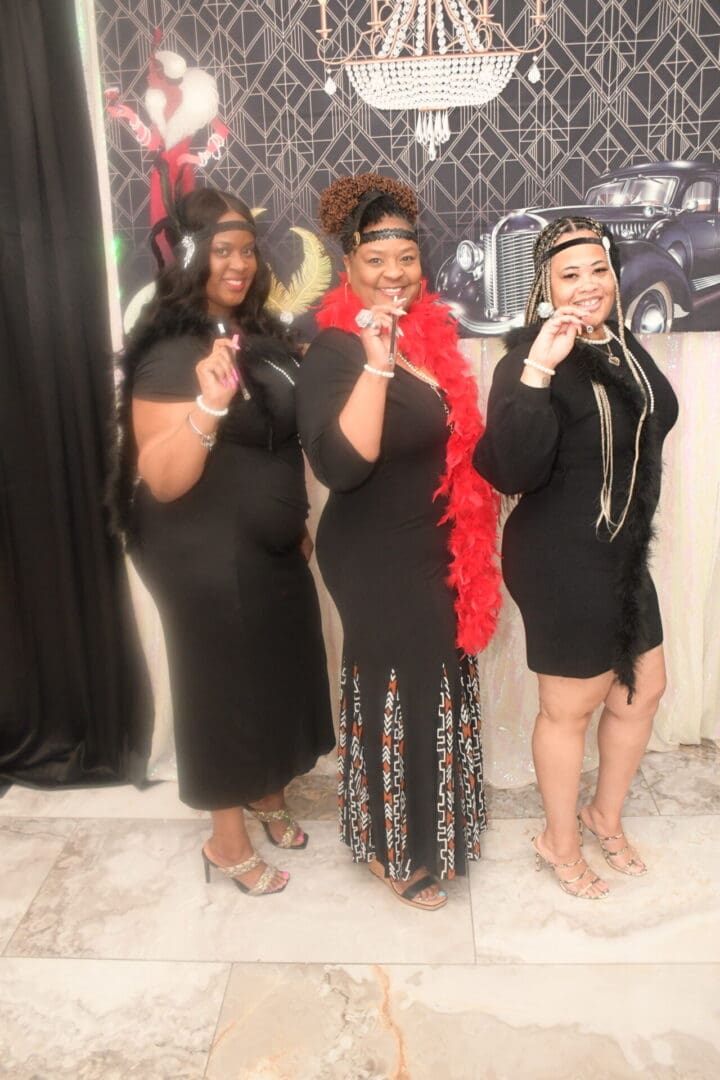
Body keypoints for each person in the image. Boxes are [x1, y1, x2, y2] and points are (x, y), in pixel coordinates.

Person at [115, 187, 334, 896]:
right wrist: (209, 405)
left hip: (265, 544)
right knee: (222, 685)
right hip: (196, 548)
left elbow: (272, 441)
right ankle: (226, 839)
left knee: (275, 664)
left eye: (245, 248)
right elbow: (166, 478)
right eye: (221, 249)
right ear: (187, 256)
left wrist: (291, 523)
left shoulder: (256, 335)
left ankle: (267, 792)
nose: (238, 262)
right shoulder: (171, 348)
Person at [296, 173, 501, 910]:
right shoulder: (336, 351)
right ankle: (394, 847)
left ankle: (437, 824)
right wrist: (376, 362)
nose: (393, 274)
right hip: (376, 557)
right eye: (376, 260)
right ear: (347, 263)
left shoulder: (425, 341)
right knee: (400, 691)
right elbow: (343, 467)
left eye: (406, 258)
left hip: (432, 549)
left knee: (435, 685)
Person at [473, 216, 678, 898]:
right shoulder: (528, 359)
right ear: (543, 286)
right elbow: (511, 469)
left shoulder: (623, 347)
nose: (589, 284)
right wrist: (539, 368)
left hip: (622, 552)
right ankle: (558, 839)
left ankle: (603, 816)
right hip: (559, 554)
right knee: (571, 708)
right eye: (570, 273)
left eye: (599, 269)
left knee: (644, 688)